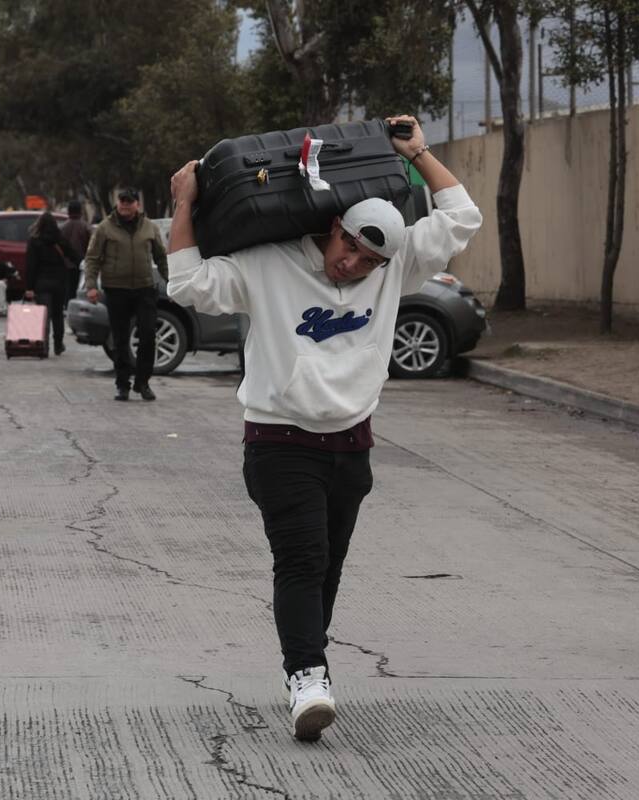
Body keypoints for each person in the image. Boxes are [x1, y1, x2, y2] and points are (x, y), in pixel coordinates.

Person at [165, 115, 481, 741]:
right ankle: (307, 674)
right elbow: (188, 283)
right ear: (333, 225)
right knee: (302, 559)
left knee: (328, 567)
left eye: (369, 259)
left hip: (352, 446)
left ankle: (309, 662)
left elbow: (461, 218)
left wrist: (419, 153)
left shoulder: (394, 266)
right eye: (350, 248)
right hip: (279, 441)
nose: (354, 265)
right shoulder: (268, 263)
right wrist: (183, 204)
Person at [83, 187, 168, 401]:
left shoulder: (150, 227)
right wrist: (91, 285)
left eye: (129, 202)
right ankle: (123, 384)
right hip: (116, 290)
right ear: (118, 204)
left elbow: (161, 257)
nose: (125, 205)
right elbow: (92, 258)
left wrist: (173, 283)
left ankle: (143, 382)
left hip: (144, 289)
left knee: (148, 336)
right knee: (120, 339)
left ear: (137, 205)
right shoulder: (104, 228)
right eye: (122, 202)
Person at [24, 211, 82, 355]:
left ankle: (43, 347)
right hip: (60, 282)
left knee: (44, 315)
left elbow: (30, 266)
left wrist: (29, 287)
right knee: (57, 315)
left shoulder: (34, 241)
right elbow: (74, 256)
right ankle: (58, 345)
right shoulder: (60, 239)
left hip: (41, 283)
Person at [60, 199, 92, 306]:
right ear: (80, 211)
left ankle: (67, 306)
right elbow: (92, 246)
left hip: (65, 264)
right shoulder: (86, 227)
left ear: (68, 211)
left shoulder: (63, 228)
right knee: (80, 288)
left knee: (67, 288)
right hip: (82, 263)